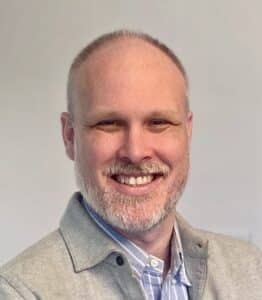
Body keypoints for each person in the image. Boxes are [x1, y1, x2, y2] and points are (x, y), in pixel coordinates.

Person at [0, 30, 261, 300]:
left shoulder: (251, 270)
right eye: (108, 123)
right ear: (69, 136)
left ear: (188, 131)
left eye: (158, 122)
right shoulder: (19, 292)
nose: (135, 152)